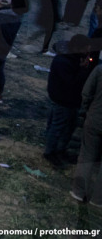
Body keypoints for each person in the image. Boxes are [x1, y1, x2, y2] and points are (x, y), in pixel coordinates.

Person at [44, 37, 95, 168]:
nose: (88, 51)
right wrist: (83, 70)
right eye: (86, 48)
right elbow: (72, 83)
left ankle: (60, 150)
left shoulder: (72, 58)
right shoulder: (64, 62)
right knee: (58, 127)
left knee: (68, 127)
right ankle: (50, 152)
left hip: (69, 100)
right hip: (63, 100)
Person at [72, 52, 102, 206]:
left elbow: (86, 93)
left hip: (96, 119)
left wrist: (84, 111)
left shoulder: (99, 70)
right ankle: (98, 199)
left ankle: (78, 191)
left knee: (87, 155)